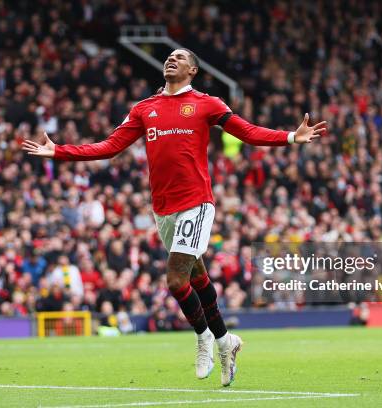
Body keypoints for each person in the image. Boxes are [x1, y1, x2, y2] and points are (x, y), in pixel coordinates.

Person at [23, 48, 326, 386]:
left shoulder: (207, 103)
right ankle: (227, 342)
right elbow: (109, 146)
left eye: (180, 57)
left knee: (175, 279)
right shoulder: (144, 108)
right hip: (162, 208)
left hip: (196, 203)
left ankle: (204, 338)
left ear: (193, 70)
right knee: (196, 277)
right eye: (169, 56)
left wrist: (290, 137)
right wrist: (60, 150)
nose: (171, 59)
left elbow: (246, 131)